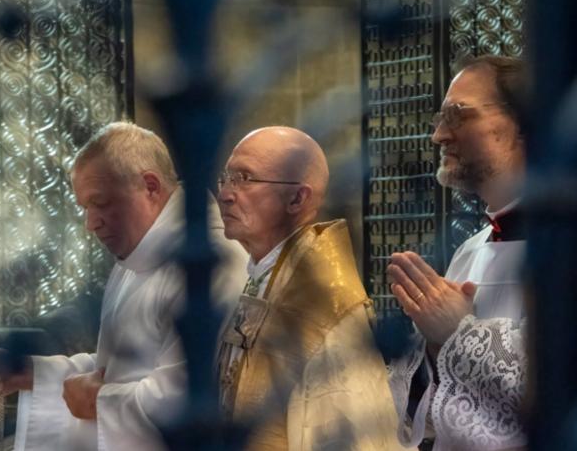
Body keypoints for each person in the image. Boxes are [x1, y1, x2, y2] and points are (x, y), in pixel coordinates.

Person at [0, 122, 249, 451]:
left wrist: (99, 401)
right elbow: (118, 366)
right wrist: (34, 373)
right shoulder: (135, 257)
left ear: (150, 186)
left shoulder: (207, 264)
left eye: (100, 203)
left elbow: (188, 399)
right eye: (85, 208)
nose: (91, 224)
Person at [215, 126, 405, 450]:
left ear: (297, 198)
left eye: (244, 179)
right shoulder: (266, 277)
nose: (225, 194)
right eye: (226, 178)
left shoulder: (325, 309)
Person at [387, 55, 529, 451]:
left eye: (458, 116)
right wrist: (431, 346)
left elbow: (564, 389)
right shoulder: (470, 250)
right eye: (440, 118)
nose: (439, 136)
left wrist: (458, 334)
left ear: (522, 123)